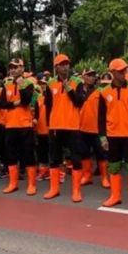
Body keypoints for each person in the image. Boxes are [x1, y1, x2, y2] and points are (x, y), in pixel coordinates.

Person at [98, 58, 128, 211]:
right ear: (112, 72)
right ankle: (115, 196)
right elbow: (101, 117)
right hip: (112, 136)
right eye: (120, 71)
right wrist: (102, 136)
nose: (123, 73)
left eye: (124, 70)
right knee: (114, 167)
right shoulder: (104, 92)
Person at [43, 54, 86, 202]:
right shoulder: (50, 84)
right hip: (55, 126)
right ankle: (54, 188)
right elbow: (48, 106)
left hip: (73, 126)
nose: (65, 66)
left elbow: (79, 102)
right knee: (54, 158)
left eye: (67, 63)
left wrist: (68, 88)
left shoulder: (77, 82)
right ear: (56, 67)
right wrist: (49, 125)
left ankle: (76, 191)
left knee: (76, 158)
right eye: (61, 64)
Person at [0, 58, 37, 195]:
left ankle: (31, 184)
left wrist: (20, 86)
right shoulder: (7, 83)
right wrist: (15, 103)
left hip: (25, 124)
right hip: (10, 125)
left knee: (28, 154)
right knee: (10, 155)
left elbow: (26, 101)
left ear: (22, 68)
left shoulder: (29, 83)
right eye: (11, 67)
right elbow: (1, 103)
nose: (13, 69)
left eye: (16, 67)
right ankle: (13, 183)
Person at [79, 68, 109, 188]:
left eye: (93, 75)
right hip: (82, 127)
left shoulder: (101, 90)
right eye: (89, 75)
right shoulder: (79, 90)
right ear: (84, 77)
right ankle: (87, 176)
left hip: (98, 128)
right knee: (85, 153)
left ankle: (104, 178)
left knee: (101, 154)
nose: (91, 77)